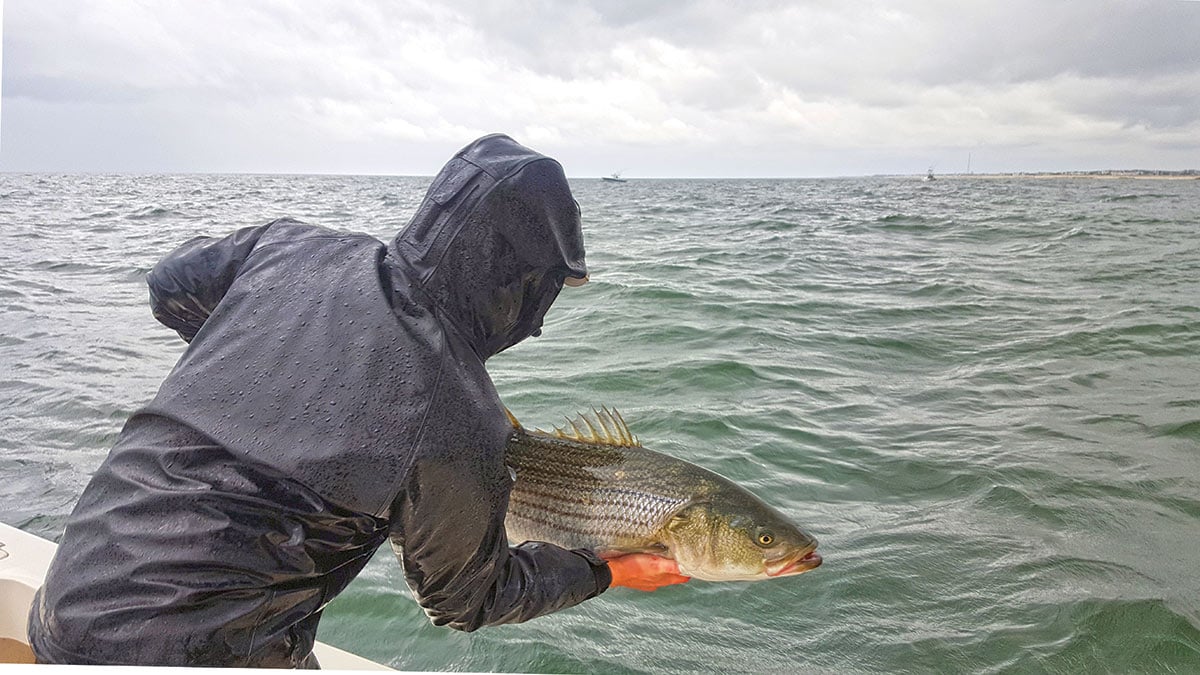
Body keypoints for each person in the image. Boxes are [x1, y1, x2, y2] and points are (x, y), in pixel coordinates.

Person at [27, 134, 689, 668]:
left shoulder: (287, 247)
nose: (540, 319)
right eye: (548, 289)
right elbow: (466, 597)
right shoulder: (456, 411)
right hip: (195, 656)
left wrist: (267, 371)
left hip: (68, 597)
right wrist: (609, 573)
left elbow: (171, 282)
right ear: (518, 281)